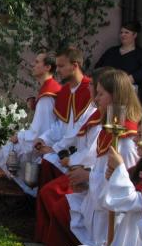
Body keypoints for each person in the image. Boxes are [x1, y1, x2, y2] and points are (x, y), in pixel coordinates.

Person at [37, 69, 142, 246]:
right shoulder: (109, 130)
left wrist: (87, 177)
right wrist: (87, 181)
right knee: (61, 206)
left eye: (101, 94)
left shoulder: (126, 140)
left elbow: (124, 183)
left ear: (116, 97)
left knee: (62, 207)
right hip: (96, 196)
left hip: (112, 211)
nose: (96, 99)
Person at [0, 52, 62, 196]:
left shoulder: (47, 95)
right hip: (46, 138)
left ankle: (30, 191)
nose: (33, 64)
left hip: (44, 143)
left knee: (7, 152)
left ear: (47, 67)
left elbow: (41, 130)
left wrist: (19, 136)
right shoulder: (49, 88)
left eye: (37, 62)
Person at [33, 47, 97, 187]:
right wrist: (44, 139)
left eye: (61, 66)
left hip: (82, 152)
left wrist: (55, 148)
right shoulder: (65, 92)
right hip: (65, 148)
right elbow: (61, 124)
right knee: (45, 160)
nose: (57, 70)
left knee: (49, 161)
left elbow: (80, 127)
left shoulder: (90, 89)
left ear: (75, 66)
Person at [94, 21, 142, 108]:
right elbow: (98, 67)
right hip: (110, 92)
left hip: (132, 95)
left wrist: (127, 79)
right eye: (121, 32)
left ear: (135, 35)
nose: (123, 35)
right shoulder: (111, 51)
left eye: (127, 32)